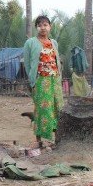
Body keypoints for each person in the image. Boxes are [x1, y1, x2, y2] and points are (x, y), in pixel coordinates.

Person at [23, 15, 64, 147]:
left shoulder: (54, 43)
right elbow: (28, 64)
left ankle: (57, 138)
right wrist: (32, 81)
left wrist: (59, 78)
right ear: (36, 27)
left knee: (58, 108)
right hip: (41, 80)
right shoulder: (30, 43)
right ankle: (39, 140)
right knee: (42, 109)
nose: (43, 27)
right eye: (40, 25)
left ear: (50, 27)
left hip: (55, 80)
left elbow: (57, 61)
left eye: (45, 25)